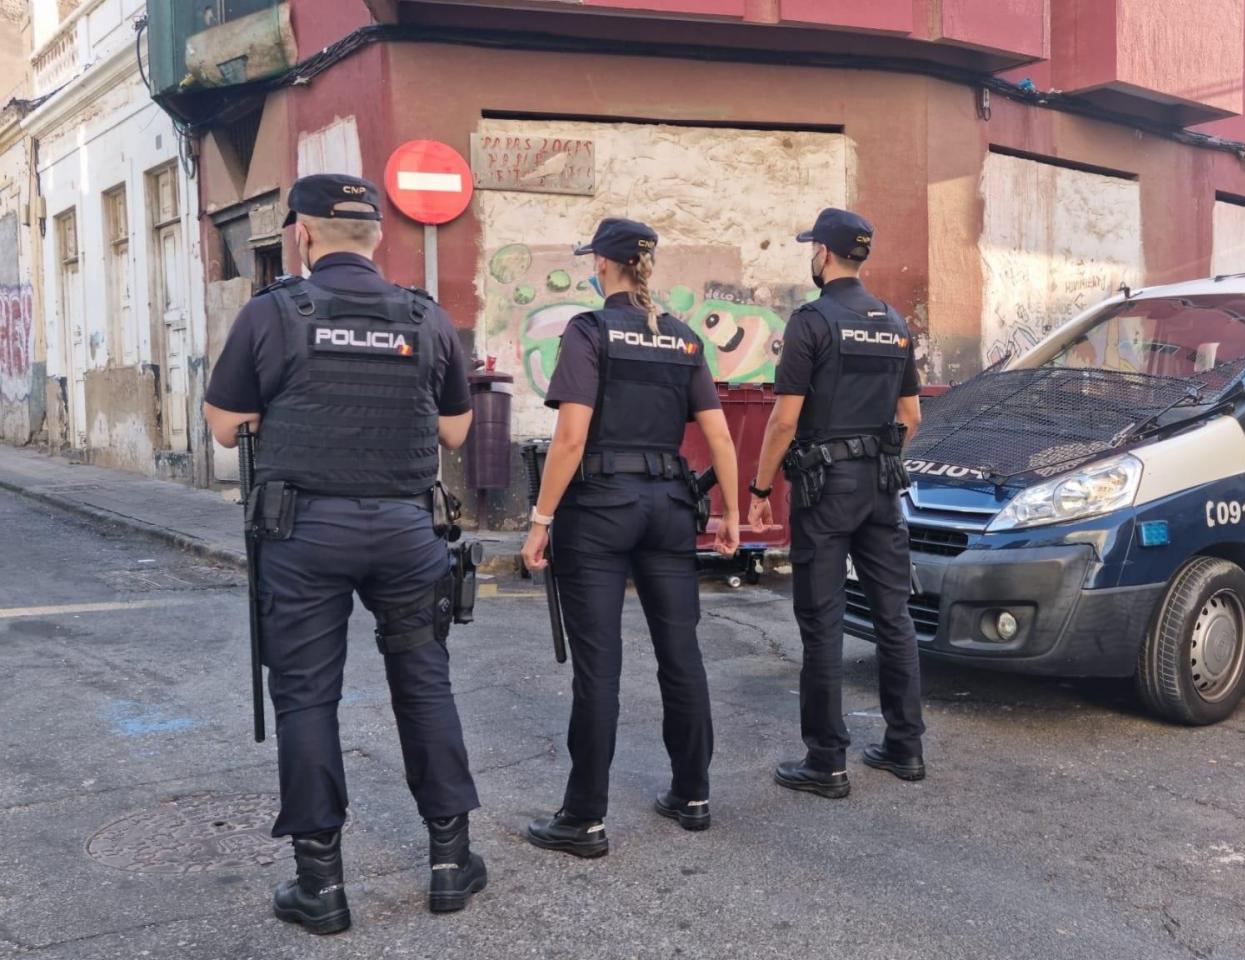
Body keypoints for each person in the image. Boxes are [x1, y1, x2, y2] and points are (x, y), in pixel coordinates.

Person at [202, 174, 486, 935]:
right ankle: (451, 862)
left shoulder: (273, 314)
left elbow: (226, 425)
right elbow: (456, 433)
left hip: (305, 534)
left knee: (307, 698)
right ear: (376, 238)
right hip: (406, 529)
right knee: (424, 687)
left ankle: (320, 886)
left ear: (303, 234)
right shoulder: (426, 318)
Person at [521, 218, 742, 858]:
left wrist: (540, 521)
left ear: (604, 266)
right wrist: (729, 511)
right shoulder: (682, 339)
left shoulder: (588, 331)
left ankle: (584, 818)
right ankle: (692, 794)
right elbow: (720, 436)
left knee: (601, 668)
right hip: (672, 506)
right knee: (681, 653)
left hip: (598, 510)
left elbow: (570, 437)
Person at [748, 208, 926, 800]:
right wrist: (877, 454)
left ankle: (826, 762)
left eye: (812, 250)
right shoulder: (895, 323)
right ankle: (905, 747)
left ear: (823, 255)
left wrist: (758, 489)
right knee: (893, 616)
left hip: (825, 488)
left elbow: (784, 420)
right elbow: (911, 417)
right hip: (881, 484)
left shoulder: (812, 321)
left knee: (821, 622)